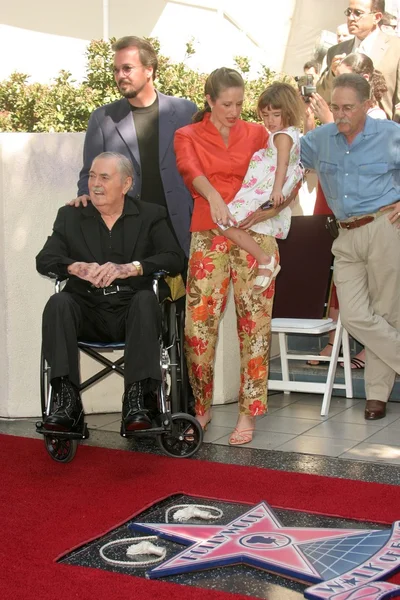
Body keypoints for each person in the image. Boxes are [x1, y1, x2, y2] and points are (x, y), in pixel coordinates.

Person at [174, 68, 297, 445]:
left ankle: (249, 413)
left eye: (240, 103)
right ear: (209, 100)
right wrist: (213, 197)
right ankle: (201, 405)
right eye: (226, 104)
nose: (234, 110)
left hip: (256, 233)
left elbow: (287, 173)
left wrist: (274, 207)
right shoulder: (187, 134)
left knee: (254, 326)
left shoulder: (259, 132)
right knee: (198, 326)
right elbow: (189, 170)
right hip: (209, 233)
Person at [36, 152, 184, 434]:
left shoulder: (151, 214)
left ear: (126, 184)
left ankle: (138, 401)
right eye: (92, 176)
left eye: (104, 177)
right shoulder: (70, 215)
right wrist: (74, 266)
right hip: (86, 310)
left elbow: (174, 257)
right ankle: (66, 403)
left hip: (133, 312)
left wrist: (133, 268)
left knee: (145, 299)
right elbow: (44, 259)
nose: (95, 184)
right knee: (58, 302)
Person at [300, 73, 400, 421]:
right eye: (336, 107)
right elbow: (282, 157)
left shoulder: (390, 135)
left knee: (386, 312)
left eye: (348, 108)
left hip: (384, 228)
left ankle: (377, 395)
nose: (340, 115)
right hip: (344, 235)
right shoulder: (319, 140)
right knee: (356, 315)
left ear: (367, 106)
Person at [74, 36, 197, 257]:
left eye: (127, 68)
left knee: (186, 293)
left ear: (149, 70)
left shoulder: (185, 112)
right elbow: (88, 175)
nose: (120, 76)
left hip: (180, 229)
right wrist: (85, 194)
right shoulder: (103, 119)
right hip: (128, 234)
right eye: (116, 70)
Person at [305, 53, 387, 368]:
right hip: (338, 202)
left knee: (370, 281)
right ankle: (334, 342)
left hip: (367, 213)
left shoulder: (377, 119)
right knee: (339, 274)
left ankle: (372, 350)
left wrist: (330, 119)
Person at [220, 82, 304, 293]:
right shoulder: (292, 133)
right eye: (265, 115)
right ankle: (264, 261)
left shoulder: (283, 137)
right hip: (266, 185)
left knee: (224, 221)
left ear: (288, 112)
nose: (269, 121)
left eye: (275, 115)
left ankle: (265, 261)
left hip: (265, 186)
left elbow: (282, 164)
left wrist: (276, 190)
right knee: (238, 223)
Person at [317, 0, 400, 120]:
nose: (351, 18)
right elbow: (322, 98)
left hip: (382, 133)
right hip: (342, 132)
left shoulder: (396, 48)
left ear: (376, 17)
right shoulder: (336, 51)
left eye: (358, 13)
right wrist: (333, 74)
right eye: (349, 12)